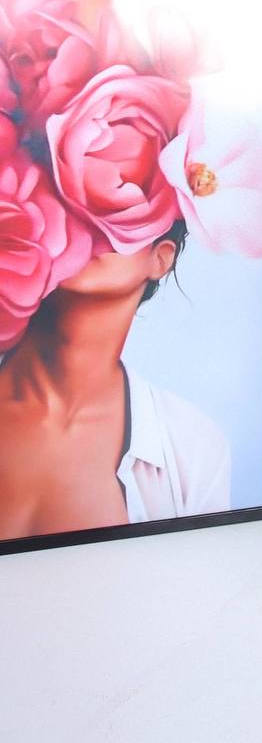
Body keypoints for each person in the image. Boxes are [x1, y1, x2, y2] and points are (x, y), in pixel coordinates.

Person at [0, 220, 232, 539]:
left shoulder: (194, 447)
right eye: (70, 205)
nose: (92, 219)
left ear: (161, 258)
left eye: (125, 197)